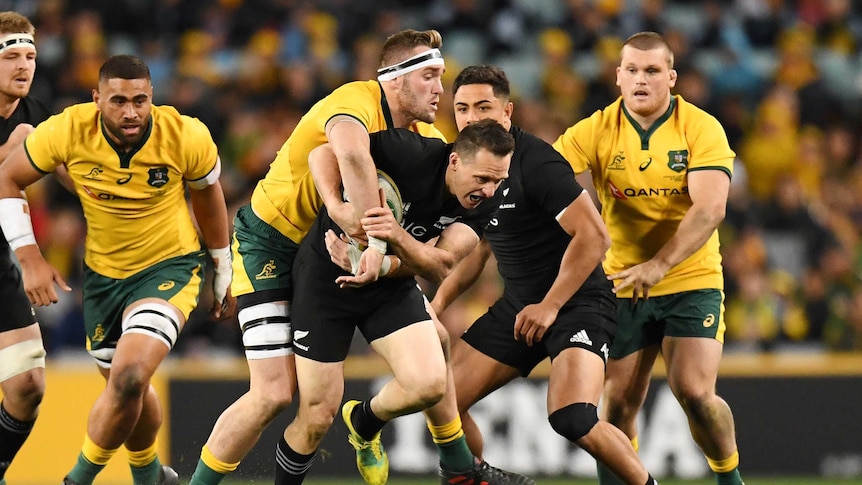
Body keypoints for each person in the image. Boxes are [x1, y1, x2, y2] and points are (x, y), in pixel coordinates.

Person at [188, 29, 456, 485]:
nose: (439, 89)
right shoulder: (353, 100)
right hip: (272, 243)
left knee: (438, 337)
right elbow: (346, 152)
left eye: (442, 77)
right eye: (429, 75)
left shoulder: (429, 137)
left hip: (338, 251)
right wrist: (367, 236)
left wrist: (387, 252)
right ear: (394, 78)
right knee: (273, 394)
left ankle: (455, 463)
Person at [0, 54, 234, 485]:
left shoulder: (185, 134)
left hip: (170, 267)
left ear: (152, 98)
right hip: (103, 279)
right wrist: (30, 258)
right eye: (119, 101)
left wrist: (222, 265)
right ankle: (149, 476)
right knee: (130, 391)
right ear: (97, 99)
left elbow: (206, 194)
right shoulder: (68, 130)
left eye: (141, 100)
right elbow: (7, 178)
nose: (131, 112)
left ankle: (76, 479)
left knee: (128, 376)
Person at [426, 65, 659, 485]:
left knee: (573, 417)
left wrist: (550, 306)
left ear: (507, 111)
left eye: (484, 106)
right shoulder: (466, 166)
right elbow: (477, 249)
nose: (471, 117)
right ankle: (474, 478)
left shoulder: (537, 162)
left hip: (578, 304)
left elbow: (594, 236)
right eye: (462, 108)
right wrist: (437, 306)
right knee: (441, 399)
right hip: (520, 306)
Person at [552, 32, 745, 485]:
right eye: (633, 70)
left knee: (695, 393)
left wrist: (659, 265)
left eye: (653, 71)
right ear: (618, 77)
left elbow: (711, 209)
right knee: (616, 405)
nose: (642, 79)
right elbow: (541, 180)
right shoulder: (594, 130)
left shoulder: (700, 127)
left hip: (690, 278)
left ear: (671, 78)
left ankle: (729, 479)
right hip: (620, 283)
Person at [281, 118, 513, 485]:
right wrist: (336, 207)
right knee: (316, 415)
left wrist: (388, 248)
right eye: (482, 179)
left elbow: (442, 266)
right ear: (454, 161)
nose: (489, 189)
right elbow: (323, 152)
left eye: (498, 180)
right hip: (325, 278)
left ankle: (364, 422)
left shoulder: (487, 201)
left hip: (390, 284)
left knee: (429, 384)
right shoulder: (408, 151)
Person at [0, 11, 51, 485]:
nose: (23, 66)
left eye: (30, 55)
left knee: (27, 385)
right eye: (11, 55)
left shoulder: (37, 115)